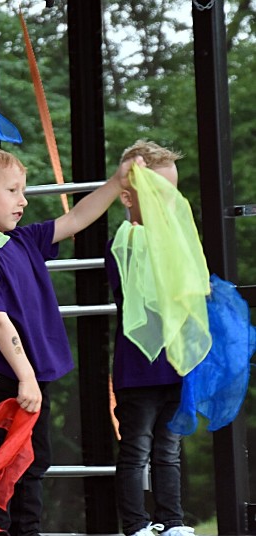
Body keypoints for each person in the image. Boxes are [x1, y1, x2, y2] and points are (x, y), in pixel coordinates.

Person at [0, 147, 136, 536]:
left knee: (32, 462)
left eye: (24, 190)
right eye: (14, 190)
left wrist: (117, 181)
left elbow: (77, 218)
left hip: (28, 377)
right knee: (10, 465)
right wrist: (26, 377)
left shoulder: (24, 240)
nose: (23, 200)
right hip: (8, 378)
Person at [106, 140, 193, 536]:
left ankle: (172, 520)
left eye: (171, 194)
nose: (168, 204)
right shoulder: (126, 240)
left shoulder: (179, 241)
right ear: (129, 197)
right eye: (158, 194)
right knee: (136, 449)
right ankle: (136, 524)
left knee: (169, 451)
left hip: (176, 364)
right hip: (138, 368)